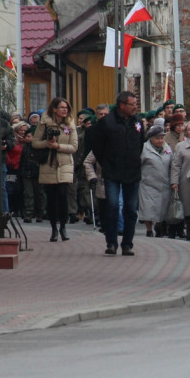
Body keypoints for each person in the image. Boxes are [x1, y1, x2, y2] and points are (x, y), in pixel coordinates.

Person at [88, 91, 143, 256]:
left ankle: (127, 244)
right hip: (112, 172)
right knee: (112, 206)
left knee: (131, 209)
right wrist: (107, 163)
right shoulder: (107, 123)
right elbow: (96, 145)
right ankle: (111, 242)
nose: (135, 107)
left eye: (135, 104)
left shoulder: (138, 122)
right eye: (132, 104)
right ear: (122, 105)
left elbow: (141, 143)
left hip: (132, 172)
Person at [32, 97, 79, 242]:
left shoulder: (69, 124)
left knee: (63, 195)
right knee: (51, 198)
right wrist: (47, 144)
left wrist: (58, 146)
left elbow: (74, 147)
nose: (65, 110)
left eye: (66, 107)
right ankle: (53, 229)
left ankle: (63, 227)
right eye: (62, 107)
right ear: (54, 109)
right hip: (48, 164)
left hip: (64, 164)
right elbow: (35, 143)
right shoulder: (44, 123)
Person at [139, 124, 173, 237]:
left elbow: (172, 164)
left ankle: (159, 225)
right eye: (157, 138)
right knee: (148, 208)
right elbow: (138, 165)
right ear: (151, 138)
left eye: (162, 138)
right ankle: (149, 229)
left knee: (162, 207)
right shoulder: (144, 148)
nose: (160, 141)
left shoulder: (167, 148)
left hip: (164, 183)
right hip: (148, 184)